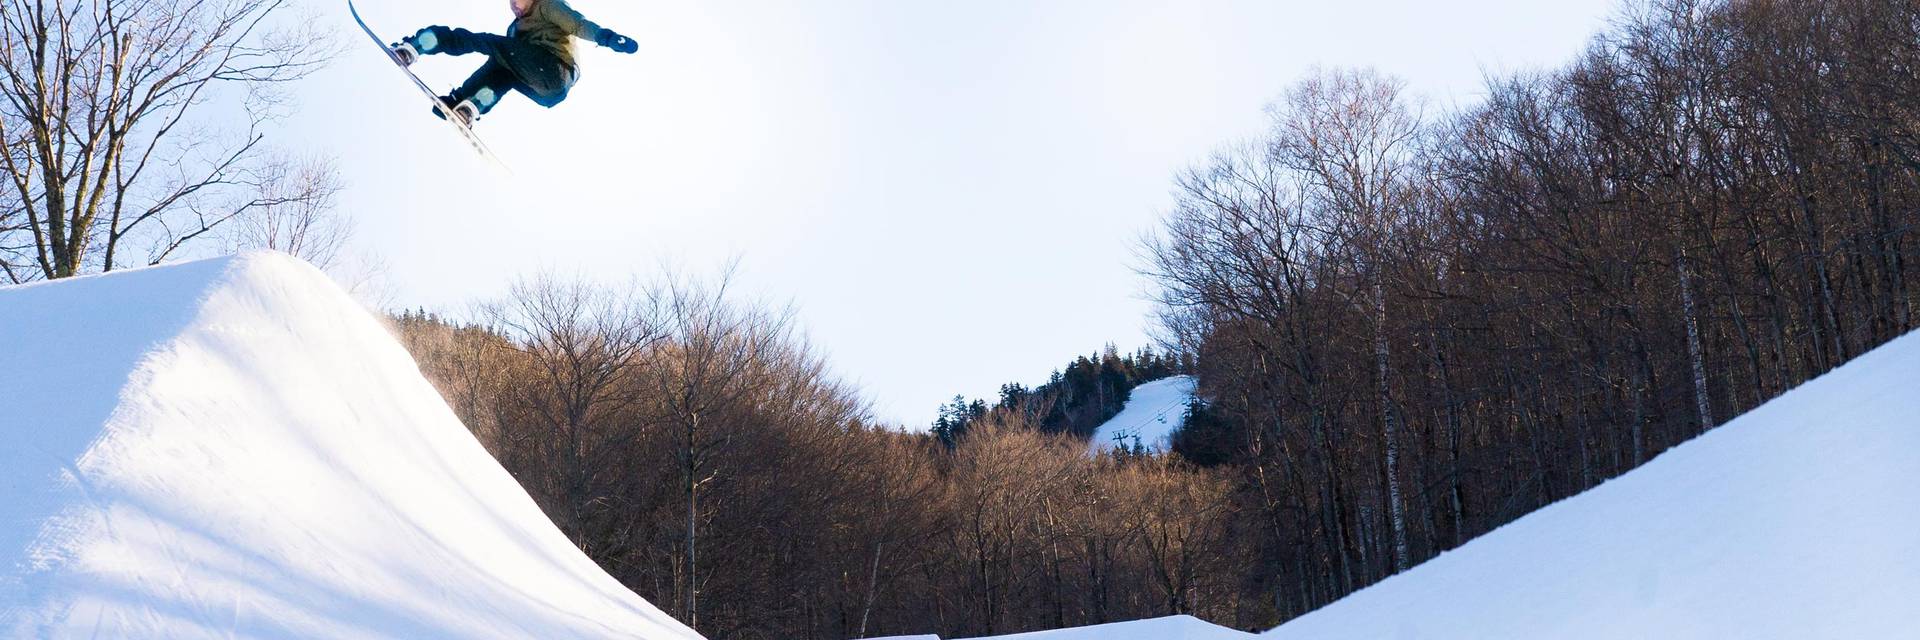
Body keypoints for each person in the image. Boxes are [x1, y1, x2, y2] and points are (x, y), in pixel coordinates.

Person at [390, 0, 638, 126]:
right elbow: (498, 65)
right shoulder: (515, 28)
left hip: (555, 69)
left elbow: (577, 24)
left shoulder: (548, 6)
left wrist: (606, 37)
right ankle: (469, 107)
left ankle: (417, 45)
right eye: (509, 2)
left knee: (485, 42)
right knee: (502, 70)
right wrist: (455, 101)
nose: (513, 5)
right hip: (546, 92)